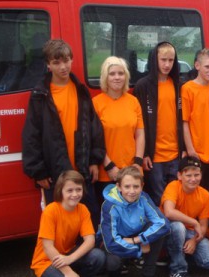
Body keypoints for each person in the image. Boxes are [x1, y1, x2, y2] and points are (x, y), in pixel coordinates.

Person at [22, 39, 105, 229]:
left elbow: (94, 127)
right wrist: (38, 171)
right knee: (61, 226)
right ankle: (67, 258)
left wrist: (94, 159)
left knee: (90, 222)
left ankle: (90, 257)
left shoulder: (80, 90)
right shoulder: (40, 95)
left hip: (82, 171)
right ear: (48, 65)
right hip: (55, 175)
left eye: (66, 60)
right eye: (57, 62)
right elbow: (31, 135)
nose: (63, 67)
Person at [30, 170, 106, 277]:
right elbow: (47, 247)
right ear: (61, 191)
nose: (75, 194)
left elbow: (90, 241)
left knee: (98, 256)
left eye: (78, 189)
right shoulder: (51, 211)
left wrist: (70, 259)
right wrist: (68, 271)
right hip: (46, 261)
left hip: (66, 255)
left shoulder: (82, 209)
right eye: (69, 190)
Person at [99, 166, 170, 277]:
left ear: (142, 186)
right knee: (113, 262)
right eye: (127, 187)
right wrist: (138, 250)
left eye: (136, 186)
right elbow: (111, 242)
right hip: (117, 239)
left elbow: (163, 224)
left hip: (135, 236)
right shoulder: (109, 205)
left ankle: (148, 275)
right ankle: (115, 271)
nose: (132, 191)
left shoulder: (143, 197)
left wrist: (139, 239)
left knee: (157, 230)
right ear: (119, 187)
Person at [134, 41, 184, 206]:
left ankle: (176, 231)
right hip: (154, 157)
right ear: (155, 60)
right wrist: (145, 154)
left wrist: (182, 150)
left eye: (171, 60)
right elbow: (139, 124)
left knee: (175, 200)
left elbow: (181, 120)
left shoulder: (177, 84)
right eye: (163, 60)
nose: (167, 64)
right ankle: (163, 231)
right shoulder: (143, 86)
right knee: (158, 201)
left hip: (175, 155)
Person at [161, 156, 209, 277]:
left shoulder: (204, 194)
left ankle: (179, 257)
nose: (193, 179)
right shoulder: (173, 187)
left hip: (190, 233)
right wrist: (194, 223)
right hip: (169, 231)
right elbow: (169, 212)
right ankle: (177, 270)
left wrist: (195, 240)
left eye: (196, 175)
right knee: (178, 226)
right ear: (179, 175)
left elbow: (204, 226)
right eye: (188, 175)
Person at [92, 56, 145, 202]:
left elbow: (140, 133)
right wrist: (109, 166)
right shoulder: (96, 104)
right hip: (107, 173)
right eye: (112, 74)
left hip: (132, 171)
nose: (117, 77)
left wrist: (137, 163)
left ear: (126, 76)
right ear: (105, 77)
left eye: (121, 73)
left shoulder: (133, 101)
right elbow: (95, 139)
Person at [182, 49, 209, 199]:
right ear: (197, 65)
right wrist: (190, 149)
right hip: (198, 153)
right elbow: (184, 122)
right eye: (207, 67)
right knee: (196, 194)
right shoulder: (187, 89)